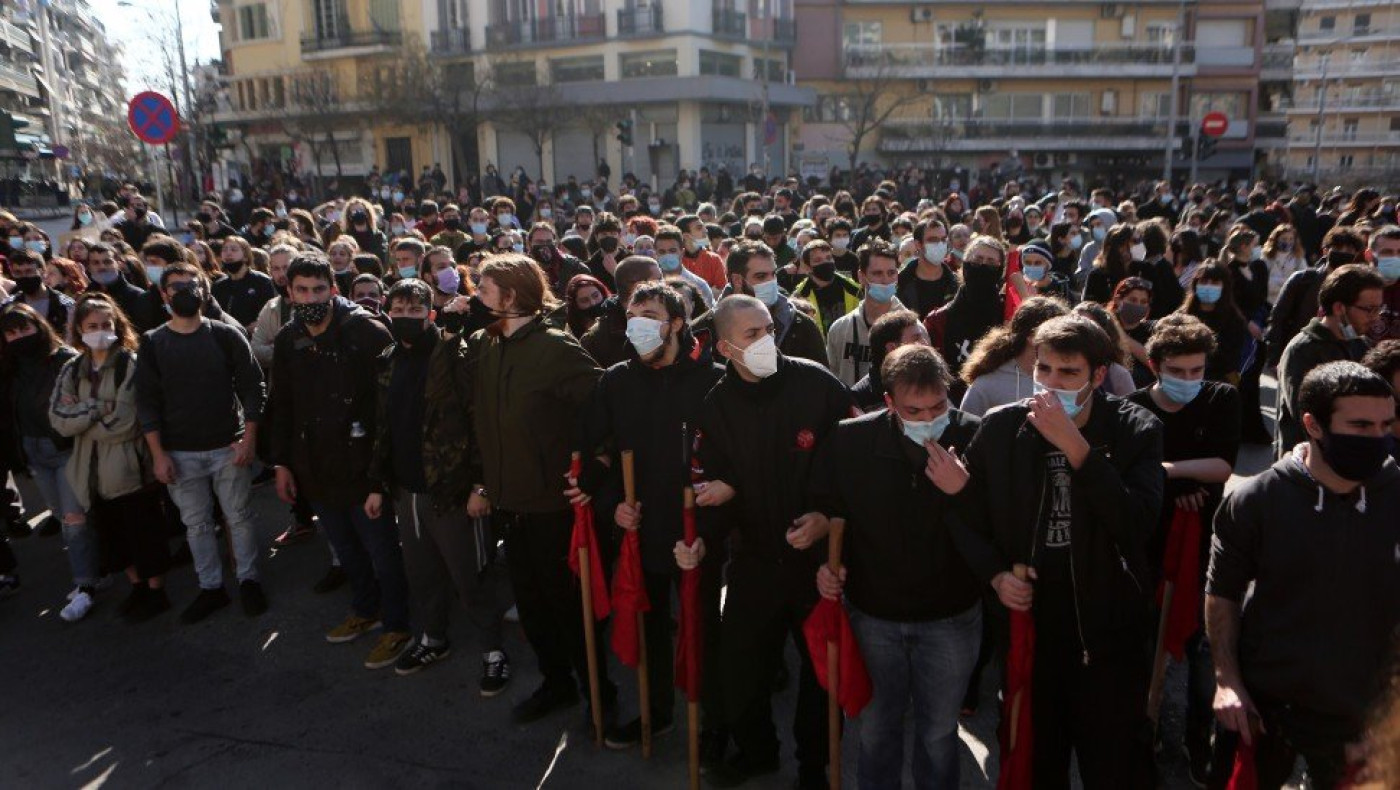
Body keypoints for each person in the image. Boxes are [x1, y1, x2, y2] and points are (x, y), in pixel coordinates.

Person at [951, 314, 1164, 789]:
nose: (1050, 383)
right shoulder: (1004, 427)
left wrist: (1078, 450)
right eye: (1043, 370)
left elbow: (1136, 524)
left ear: (1098, 375)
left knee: (1115, 762)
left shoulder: (1135, 427)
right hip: (1032, 622)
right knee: (1037, 757)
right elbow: (966, 515)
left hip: (1107, 629)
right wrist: (996, 576)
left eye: (1068, 373)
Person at [1206, 361, 1399, 790]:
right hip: (1265, 709)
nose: (1378, 439)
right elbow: (1223, 594)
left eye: (1386, 424)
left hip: (1366, 720)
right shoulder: (1256, 500)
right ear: (1312, 424)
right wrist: (1227, 682)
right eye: (1361, 426)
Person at [695, 295, 852, 789]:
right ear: (724, 347)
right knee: (742, 667)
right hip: (756, 559)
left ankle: (814, 766)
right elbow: (709, 482)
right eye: (751, 335)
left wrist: (826, 518)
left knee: (821, 676)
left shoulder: (816, 384)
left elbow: (854, 462)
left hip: (815, 565)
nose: (767, 340)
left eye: (768, 329)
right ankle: (758, 751)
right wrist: (700, 540)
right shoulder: (715, 407)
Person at [813, 344, 983, 789]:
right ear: (888, 402)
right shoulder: (850, 441)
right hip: (873, 615)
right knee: (877, 729)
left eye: (938, 406)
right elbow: (828, 512)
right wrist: (826, 564)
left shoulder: (975, 435)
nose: (928, 417)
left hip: (951, 617)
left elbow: (998, 529)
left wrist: (963, 492)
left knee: (939, 733)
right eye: (914, 408)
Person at [575, 281, 726, 749]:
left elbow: (731, 462)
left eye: (650, 316)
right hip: (642, 525)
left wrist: (708, 530)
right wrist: (610, 505)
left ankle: (714, 726)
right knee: (651, 625)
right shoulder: (616, 380)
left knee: (703, 629)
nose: (637, 326)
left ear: (677, 324)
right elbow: (595, 452)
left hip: (695, 527)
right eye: (632, 316)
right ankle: (657, 712)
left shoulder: (713, 380)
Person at [467, 255, 614, 726]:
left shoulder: (557, 349)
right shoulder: (486, 345)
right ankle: (558, 684)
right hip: (509, 503)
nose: (477, 299)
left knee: (570, 608)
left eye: (485, 291)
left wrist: (599, 466)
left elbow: (606, 411)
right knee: (531, 607)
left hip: (554, 506)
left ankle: (600, 694)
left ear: (510, 297)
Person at [367, 278, 511, 689]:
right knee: (422, 572)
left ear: (431, 313)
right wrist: (378, 484)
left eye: (415, 310)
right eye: (398, 309)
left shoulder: (456, 356)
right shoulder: (389, 359)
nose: (406, 317)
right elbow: (384, 427)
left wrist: (481, 486)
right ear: (386, 311)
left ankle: (492, 648)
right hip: (406, 490)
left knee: (470, 575)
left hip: (453, 491)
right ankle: (432, 637)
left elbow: (480, 422)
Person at [267, 255, 410, 669]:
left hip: (365, 467)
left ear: (334, 289)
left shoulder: (365, 332)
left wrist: (379, 478)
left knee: (383, 551)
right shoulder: (288, 337)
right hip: (316, 468)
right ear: (289, 292)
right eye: (302, 290)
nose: (311, 298)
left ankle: (397, 625)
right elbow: (283, 404)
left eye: (318, 289)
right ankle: (366, 610)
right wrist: (282, 464)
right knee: (346, 550)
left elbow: (391, 407)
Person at [1125, 314, 1240, 784]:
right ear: (1155, 366)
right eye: (1179, 371)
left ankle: (1196, 743)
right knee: (1146, 644)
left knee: (1197, 654)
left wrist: (1167, 471)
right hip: (1148, 544)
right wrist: (1178, 483)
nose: (1190, 380)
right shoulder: (1132, 407)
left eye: (1197, 371)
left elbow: (1222, 466)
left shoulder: (1221, 399)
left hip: (1203, 545)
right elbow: (1132, 476)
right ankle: (1146, 734)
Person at [135, 262, 268, 624]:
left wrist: (249, 438)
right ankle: (211, 588)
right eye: (175, 287)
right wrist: (158, 454)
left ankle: (248, 580)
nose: (183, 292)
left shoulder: (226, 335)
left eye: (191, 285)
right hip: (180, 453)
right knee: (196, 525)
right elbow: (146, 401)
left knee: (238, 518)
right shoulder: (152, 342)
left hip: (228, 446)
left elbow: (252, 386)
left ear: (205, 291)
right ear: (163, 294)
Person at [49, 294, 172, 622]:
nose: (100, 331)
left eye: (106, 324)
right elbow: (59, 417)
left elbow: (125, 421)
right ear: (79, 329)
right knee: (114, 539)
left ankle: (157, 591)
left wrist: (83, 418)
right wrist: (94, 410)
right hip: (89, 474)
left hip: (129, 470)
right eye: (92, 326)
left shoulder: (128, 365)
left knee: (144, 534)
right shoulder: (72, 369)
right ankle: (137, 587)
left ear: (118, 325)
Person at [0, 303, 94, 620]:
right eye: (11, 333)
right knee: (63, 517)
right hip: (34, 453)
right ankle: (99, 568)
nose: (19, 337)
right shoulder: (9, 369)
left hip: (65, 449)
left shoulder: (65, 359)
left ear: (39, 326)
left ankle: (85, 586)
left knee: (74, 520)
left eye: (24, 329)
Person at [1274, 264, 1384, 458]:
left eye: (1379, 309)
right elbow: (1306, 419)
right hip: (1308, 466)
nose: (1375, 318)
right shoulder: (1302, 351)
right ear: (1339, 308)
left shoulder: (1362, 345)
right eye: (1369, 309)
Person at [693, 240, 826, 366]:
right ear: (737, 280)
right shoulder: (704, 330)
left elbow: (822, 382)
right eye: (761, 276)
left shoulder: (801, 325)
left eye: (773, 274)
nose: (771, 281)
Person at [1267, 226, 1367, 365]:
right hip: (1298, 355)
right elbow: (1278, 317)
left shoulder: (1358, 287)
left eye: (1349, 251)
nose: (1344, 254)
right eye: (1338, 249)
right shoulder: (1302, 279)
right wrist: (1274, 357)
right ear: (1325, 250)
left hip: (1337, 361)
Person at [959, 296, 1070, 417]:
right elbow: (966, 432)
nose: (1065, 343)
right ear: (1032, 336)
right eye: (1057, 335)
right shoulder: (986, 386)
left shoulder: (1073, 380)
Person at [924, 235, 1007, 395]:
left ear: (1000, 269)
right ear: (965, 264)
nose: (983, 265)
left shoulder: (1009, 315)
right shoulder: (937, 321)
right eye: (977, 259)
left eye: (991, 262)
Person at [825, 239, 904, 387]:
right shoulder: (840, 329)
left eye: (891, 273)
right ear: (861, 277)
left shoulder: (912, 329)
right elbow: (831, 380)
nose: (886, 280)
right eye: (877, 273)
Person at [580, 256, 663, 369]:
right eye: (659, 280)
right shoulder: (596, 340)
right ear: (639, 287)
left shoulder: (668, 320)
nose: (665, 285)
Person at [1178, 264, 1247, 385]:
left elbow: (1231, 362)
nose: (1208, 286)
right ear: (1195, 284)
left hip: (1217, 383)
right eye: (1204, 281)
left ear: (1224, 287)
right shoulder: (1182, 316)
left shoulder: (1234, 321)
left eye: (1215, 282)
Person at [850, 309, 928, 412]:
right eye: (916, 339)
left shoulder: (930, 380)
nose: (925, 344)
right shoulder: (859, 399)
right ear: (892, 348)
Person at [790, 240, 860, 334]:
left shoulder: (853, 289)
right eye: (818, 260)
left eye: (829, 258)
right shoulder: (800, 296)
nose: (825, 262)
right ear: (807, 267)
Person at [895, 218, 957, 317]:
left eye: (943, 239)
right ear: (918, 244)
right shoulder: (900, 283)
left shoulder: (956, 283)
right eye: (933, 240)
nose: (940, 244)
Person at [212, 236, 277, 330]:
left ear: (246, 256)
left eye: (234, 249)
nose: (228, 253)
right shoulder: (218, 286)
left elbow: (271, 314)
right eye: (224, 250)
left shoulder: (262, 282)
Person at [4, 249, 73, 335]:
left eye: (29, 271)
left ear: (43, 271)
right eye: (17, 272)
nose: (24, 276)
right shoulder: (7, 307)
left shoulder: (65, 305)